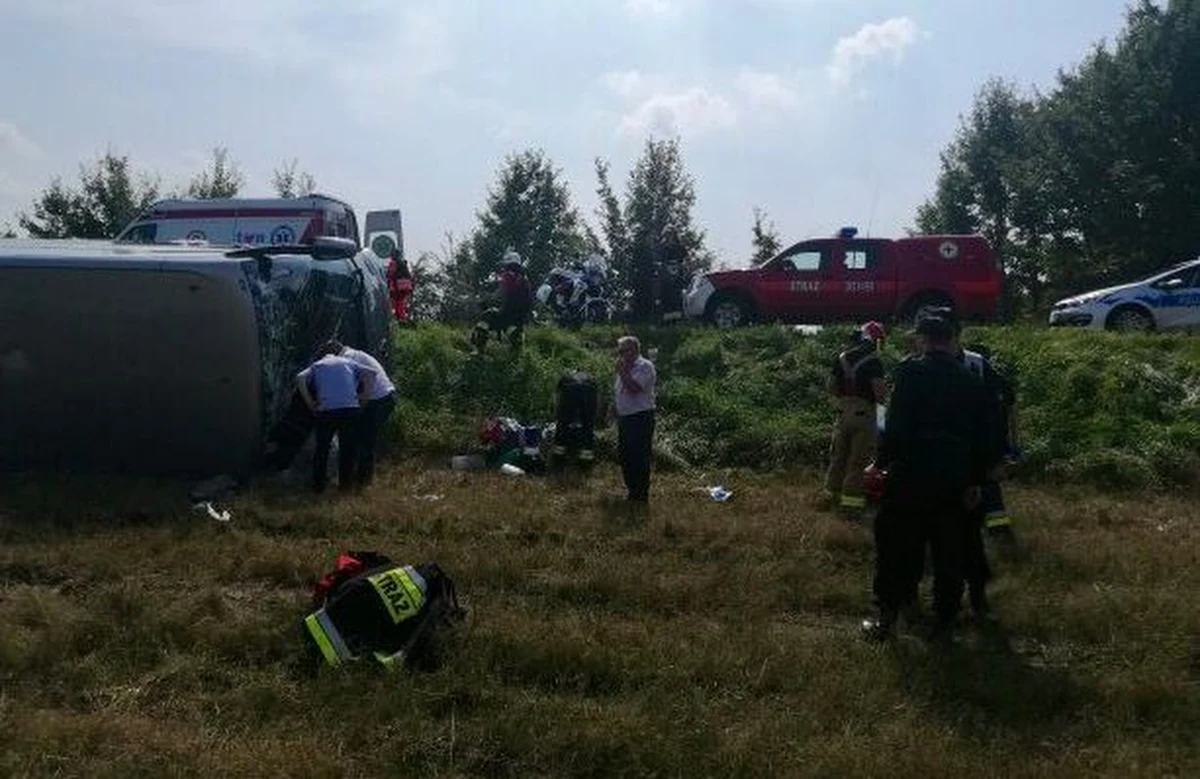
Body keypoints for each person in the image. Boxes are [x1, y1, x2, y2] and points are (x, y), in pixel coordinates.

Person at [862, 310, 994, 642]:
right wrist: (976, 480)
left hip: (913, 471)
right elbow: (984, 437)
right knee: (949, 549)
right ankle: (944, 623)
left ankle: (888, 617)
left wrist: (881, 462)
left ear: (923, 340)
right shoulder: (971, 381)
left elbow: (898, 424)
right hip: (955, 475)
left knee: (897, 545)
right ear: (952, 341)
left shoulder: (911, 373)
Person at [296, 341, 379, 493]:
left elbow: (300, 378)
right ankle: (345, 487)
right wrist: (364, 398)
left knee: (322, 449)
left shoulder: (317, 365)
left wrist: (311, 403)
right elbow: (372, 372)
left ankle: (318, 488)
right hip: (349, 409)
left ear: (323, 355)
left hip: (326, 411)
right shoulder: (348, 362)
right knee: (348, 448)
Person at [824, 321, 888, 514]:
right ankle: (851, 505)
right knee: (857, 462)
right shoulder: (874, 362)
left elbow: (831, 387)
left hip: (842, 413)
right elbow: (879, 395)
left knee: (838, 457)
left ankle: (830, 497)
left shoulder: (841, 358)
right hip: (863, 415)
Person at [336, 340, 397, 487]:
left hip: (378, 400)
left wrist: (359, 407)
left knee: (365, 441)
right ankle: (358, 480)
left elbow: (366, 380)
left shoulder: (347, 359)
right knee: (360, 439)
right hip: (381, 398)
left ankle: (362, 482)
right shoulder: (355, 354)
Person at [612, 335, 657, 504]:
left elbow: (634, 388)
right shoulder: (624, 368)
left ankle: (641, 495)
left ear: (636, 350)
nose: (622, 354)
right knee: (625, 456)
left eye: (626, 350)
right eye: (620, 351)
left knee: (639, 457)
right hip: (625, 419)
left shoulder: (645, 366)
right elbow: (620, 391)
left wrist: (622, 371)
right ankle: (632, 491)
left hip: (641, 417)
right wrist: (614, 407)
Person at [386, 250, 414, 325]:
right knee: (401, 302)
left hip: (397, 286)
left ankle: (400, 318)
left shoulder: (393, 263)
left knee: (396, 302)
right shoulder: (403, 263)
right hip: (406, 286)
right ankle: (402, 317)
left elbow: (390, 274)